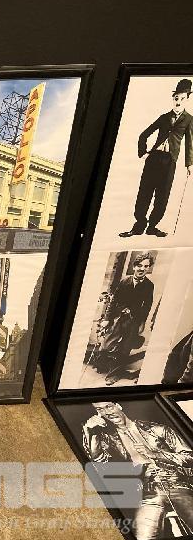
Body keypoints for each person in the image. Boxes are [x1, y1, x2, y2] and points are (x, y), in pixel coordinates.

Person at [82, 401, 193, 540]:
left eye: (109, 407)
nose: (107, 412)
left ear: (118, 406)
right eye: (100, 410)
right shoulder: (109, 440)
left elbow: (189, 457)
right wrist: (91, 432)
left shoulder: (157, 429)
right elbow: (98, 462)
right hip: (148, 493)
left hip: (176, 485)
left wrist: (155, 454)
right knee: (143, 539)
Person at [119, 79, 193, 238]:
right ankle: (138, 226)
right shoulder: (164, 117)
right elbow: (144, 135)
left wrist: (189, 164)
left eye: (182, 98)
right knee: (144, 192)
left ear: (187, 99)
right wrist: (143, 152)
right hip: (153, 159)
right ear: (173, 98)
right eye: (176, 98)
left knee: (162, 195)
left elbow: (190, 143)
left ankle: (152, 226)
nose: (178, 101)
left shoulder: (189, 119)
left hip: (170, 161)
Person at [92, 252, 155, 384]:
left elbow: (147, 306)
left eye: (146, 266)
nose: (142, 269)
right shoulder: (124, 281)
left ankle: (113, 375)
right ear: (134, 266)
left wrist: (142, 323)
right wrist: (107, 319)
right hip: (118, 318)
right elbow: (114, 300)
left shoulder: (149, 285)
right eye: (139, 265)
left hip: (134, 321)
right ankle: (101, 364)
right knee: (106, 345)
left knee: (125, 349)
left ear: (149, 268)